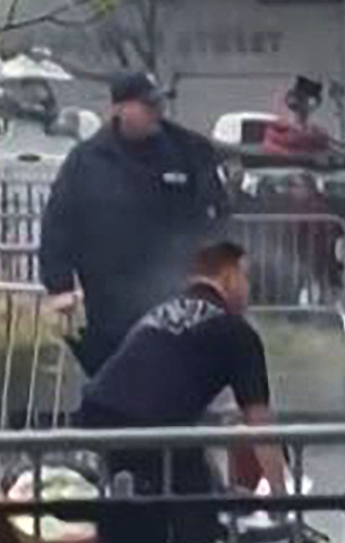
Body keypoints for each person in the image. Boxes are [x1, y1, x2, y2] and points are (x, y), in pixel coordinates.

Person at [80, 241, 288, 543]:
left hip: (101, 412)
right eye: (245, 277)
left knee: (138, 514)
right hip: (152, 428)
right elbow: (261, 421)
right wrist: (282, 498)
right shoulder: (236, 333)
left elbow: (158, 375)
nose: (249, 288)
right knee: (196, 526)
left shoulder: (162, 312)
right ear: (227, 278)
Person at [40, 72, 231, 376]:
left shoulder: (189, 150)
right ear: (119, 108)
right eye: (147, 105)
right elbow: (58, 225)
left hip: (174, 294)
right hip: (108, 300)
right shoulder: (87, 160)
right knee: (113, 382)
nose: (158, 111)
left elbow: (218, 214)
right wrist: (59, 285)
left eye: (159, 103)